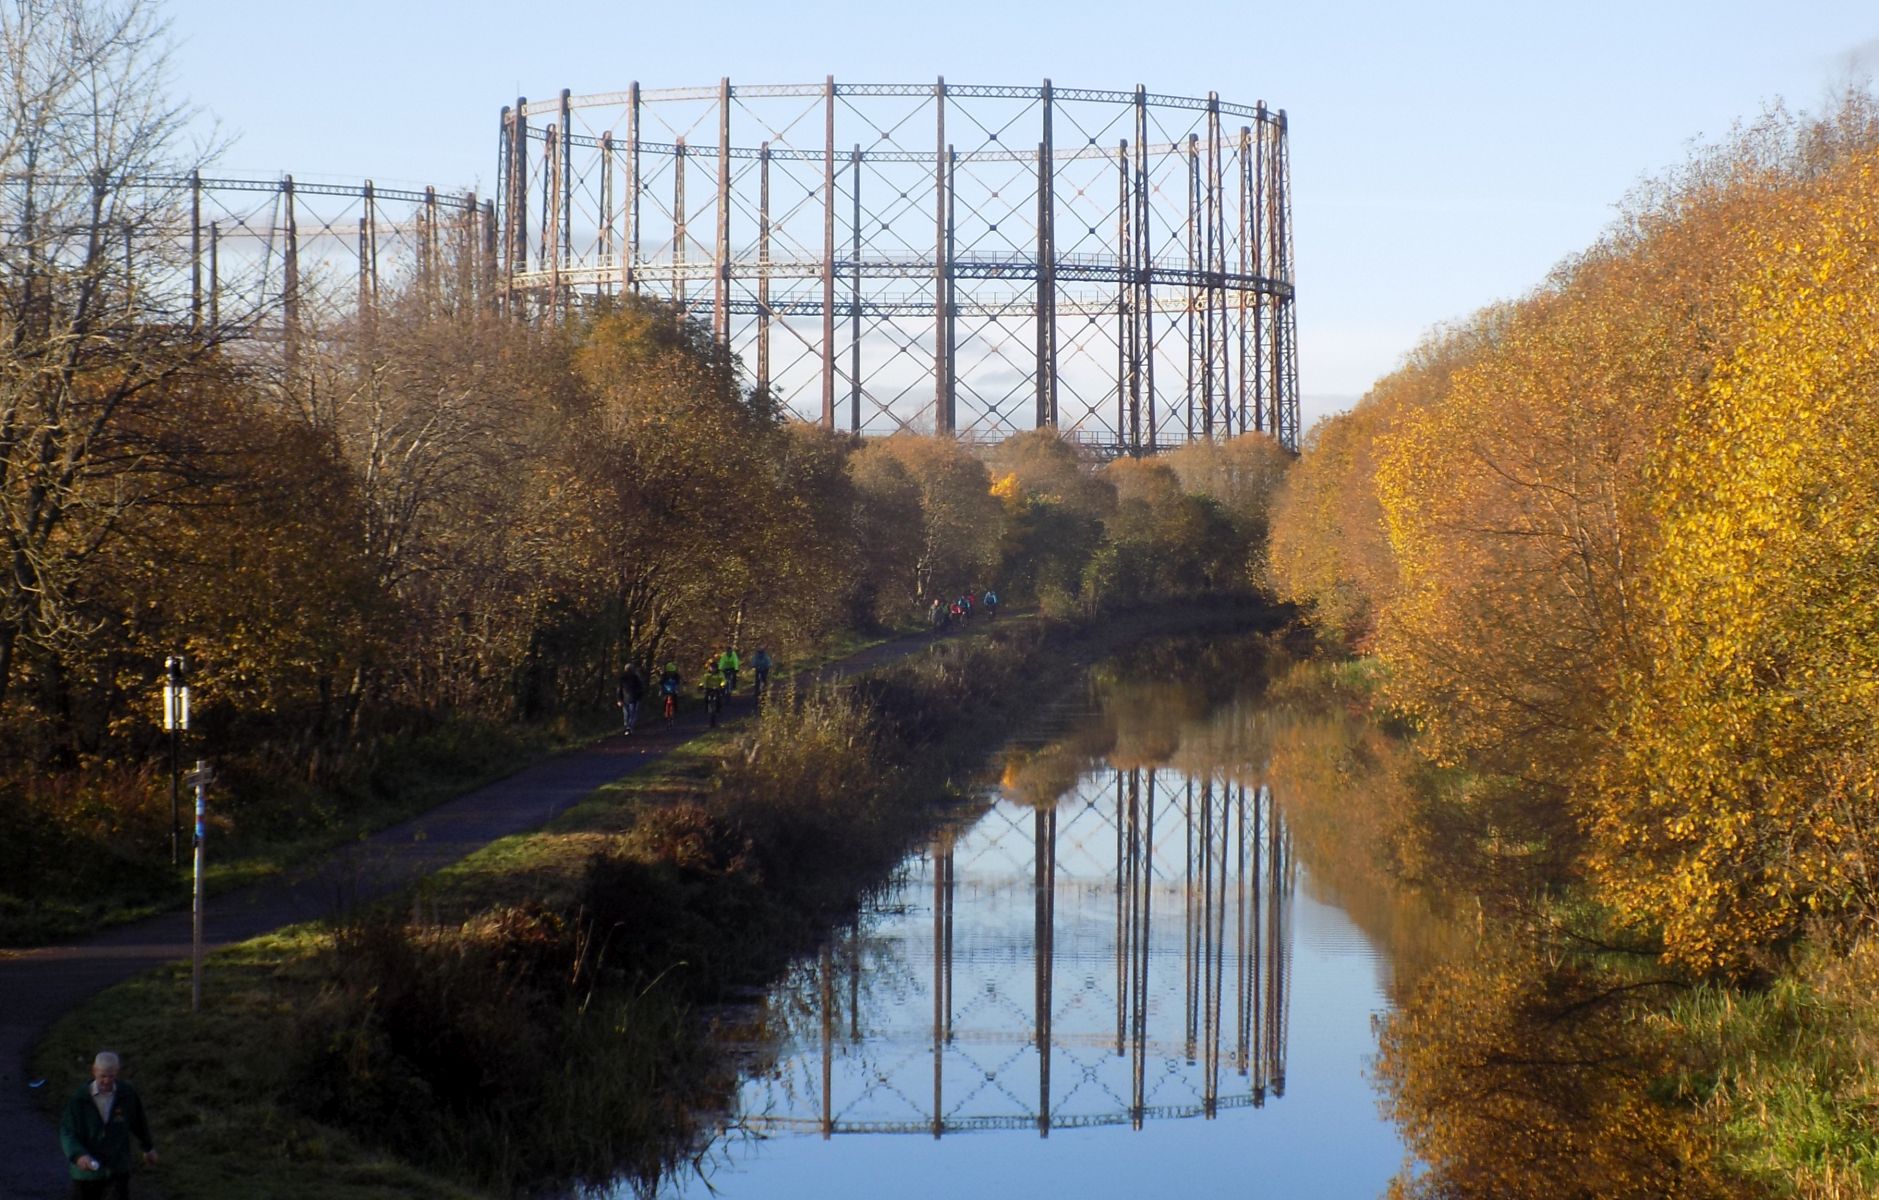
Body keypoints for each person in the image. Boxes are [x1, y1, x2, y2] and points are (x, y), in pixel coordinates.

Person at [60, 1050, 156, 1199]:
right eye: (103, 1076)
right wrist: (79, 1155)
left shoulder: (127, 1094)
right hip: (87, 1173)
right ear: (94, 1071)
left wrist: (148, 1148)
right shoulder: (79, 1099)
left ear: (117, 1072)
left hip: (117, 1168)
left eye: (112, 1076)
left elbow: (139, 1121)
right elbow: (67, 1131)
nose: (107, 1081)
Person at [616, 664, 645, 735]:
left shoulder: (622, 678)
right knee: (632, 714)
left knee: (627, 714)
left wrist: (619, 699)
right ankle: (629, 727)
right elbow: (641, 688)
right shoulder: (635, 678)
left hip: (626, 699)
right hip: (633, 698)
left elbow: (619, 690)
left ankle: (628, 727)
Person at [700, 658, 727, 726]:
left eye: (714, 668)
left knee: (718, 699)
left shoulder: (720, 673)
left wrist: (722, 685)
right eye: (711, 668)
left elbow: (723, 680)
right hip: (709, 688)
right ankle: (706, 709)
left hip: (717, 688)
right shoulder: (707, 674)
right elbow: (703, 680)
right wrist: (701, 685)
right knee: (706, 698)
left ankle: (718, 709)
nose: (713, 669)